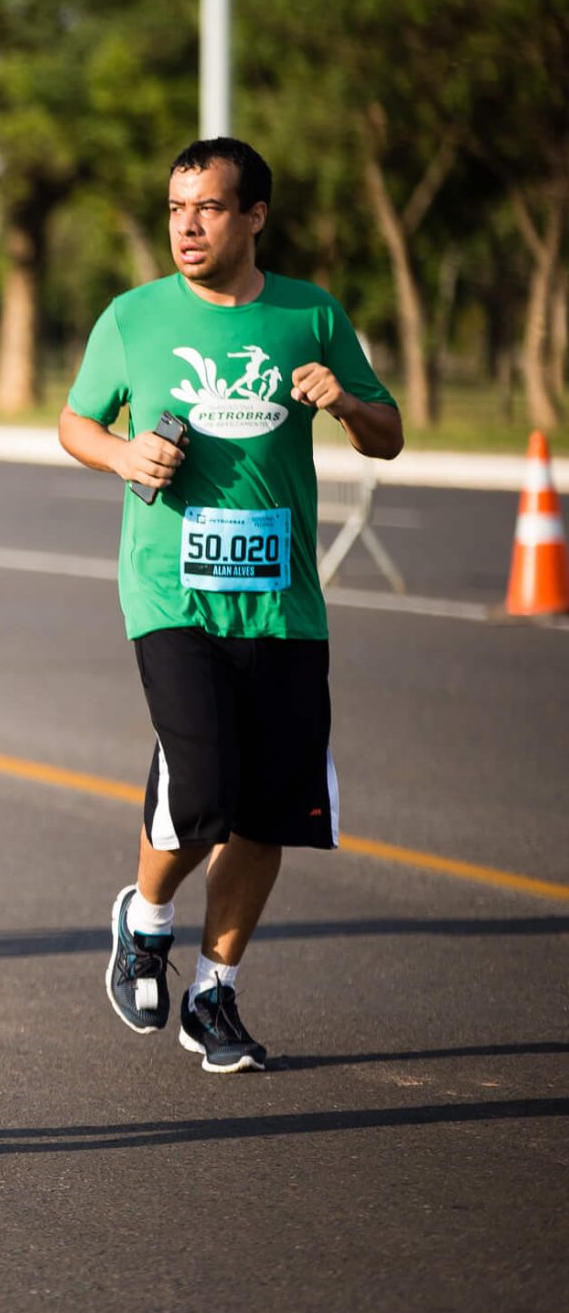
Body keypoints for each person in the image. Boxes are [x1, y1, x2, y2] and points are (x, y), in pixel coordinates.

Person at [64, 138, 402, 1074]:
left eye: (209, 207)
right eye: (177, 208)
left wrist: (343, 401)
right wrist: (124, 455)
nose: (187, 225)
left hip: (283, 602)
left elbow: (390, 437)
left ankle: (214, 993)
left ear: (254, 215)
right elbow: (75, 421)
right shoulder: (133, 318)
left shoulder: (311, 314)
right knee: (206, 789)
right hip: (171, 589)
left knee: (269, 813)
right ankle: (147, 919)